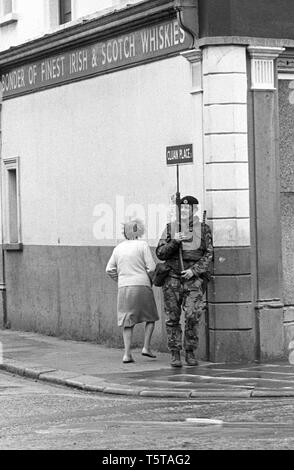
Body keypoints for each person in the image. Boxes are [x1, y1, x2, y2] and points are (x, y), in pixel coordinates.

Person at [156, 196, 213, 368]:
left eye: (188, 209)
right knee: (172, 318)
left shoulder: (203, 229)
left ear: (195, 210)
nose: (185, 211)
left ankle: (190, 352)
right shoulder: (170, 228)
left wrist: (193, 271)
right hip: (172, 279)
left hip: (193, 281)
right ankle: (175, 353)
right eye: (182, 209)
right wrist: (175, 241)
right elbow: (160, 253)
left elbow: (209, 254)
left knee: (192, 316)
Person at [106, 218, 159, 363]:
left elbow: (109, 269)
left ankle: (127, 354)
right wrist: (151, 281)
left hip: (124, 287)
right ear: (139, 231)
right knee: (151, 317)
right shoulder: (142, 245)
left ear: (125, 232)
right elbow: (151, 268)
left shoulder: (118, 248)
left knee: (127, 321)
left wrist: (120, 279)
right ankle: (146, 347)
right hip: (142, 285)